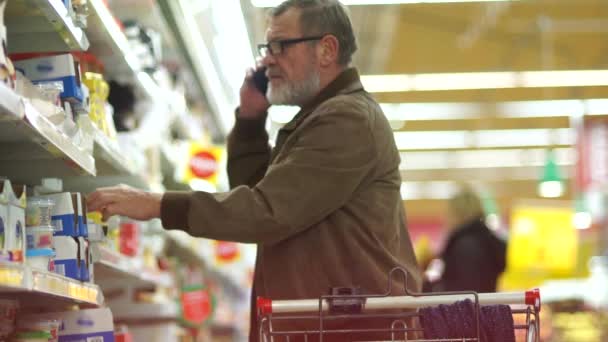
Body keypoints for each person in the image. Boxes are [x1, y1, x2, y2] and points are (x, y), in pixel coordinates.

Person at [87, 0, 421, 340]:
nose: (267, 60)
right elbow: (256, 195)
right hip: (329, 325)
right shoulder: (316, 119)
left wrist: (157, 204)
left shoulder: (346, 120)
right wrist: (250, 119)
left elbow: (265, 213)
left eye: (280, 46)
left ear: (326, 49)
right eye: (267, 47)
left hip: (353, 329)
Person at [424, 186, 507, 293]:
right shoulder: (486, 240)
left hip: (470, 307)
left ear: (456, 214)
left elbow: (462, 293)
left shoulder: (465, 246)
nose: (445, 218)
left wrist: (425, 284)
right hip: (486, 306)